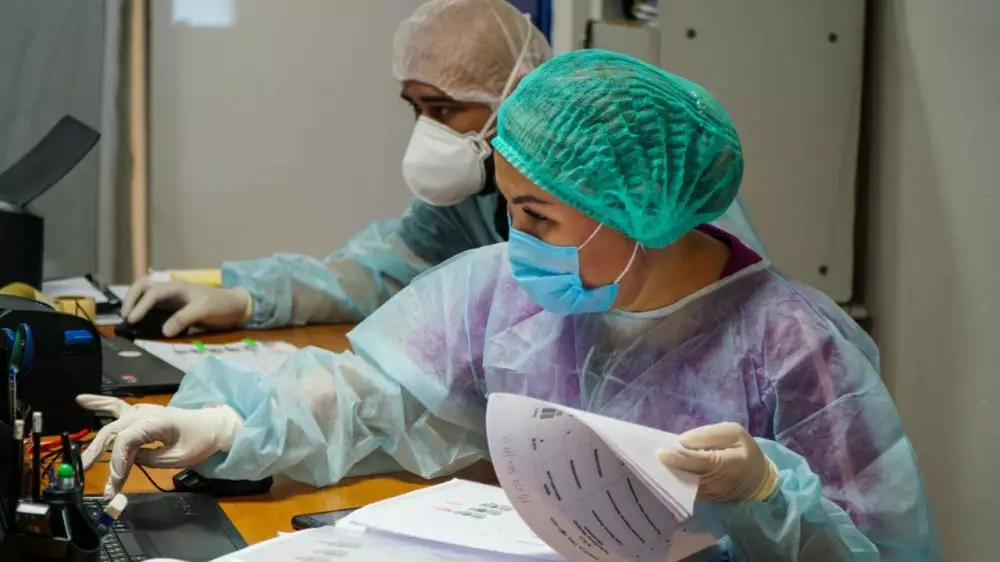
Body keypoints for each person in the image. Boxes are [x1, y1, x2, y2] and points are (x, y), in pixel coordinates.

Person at [79, 50, 940, 559]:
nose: (514, 238)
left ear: (635, 208)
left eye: (536, 215)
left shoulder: (792, 346)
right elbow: (375, 397)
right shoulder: (507, 289)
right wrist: (225, 426)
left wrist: (767, 493)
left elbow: (880, 552)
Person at [119, 0, 765, 338]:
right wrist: (245, 298)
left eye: (445, 109)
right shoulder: (474, 196)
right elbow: (382, 269)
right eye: (417, 109)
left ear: (518, 92)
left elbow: (711, 324)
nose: (427, 131)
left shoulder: (633, 176)